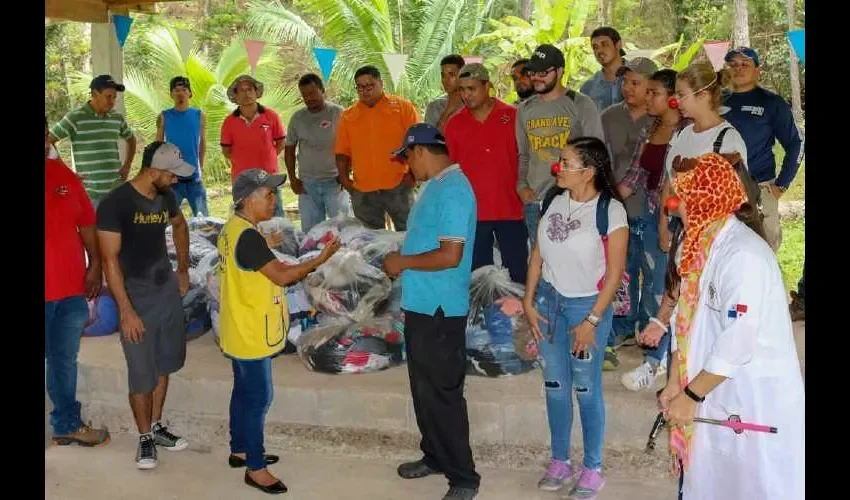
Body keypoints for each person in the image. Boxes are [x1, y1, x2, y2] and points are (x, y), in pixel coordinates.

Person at [656, 145, 804, 500]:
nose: (676, 206)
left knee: (757, 485)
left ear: (707, 197)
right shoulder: (694, 247)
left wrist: (691, 394)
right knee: (711, 481)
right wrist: (675, 382)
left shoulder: (744, 256)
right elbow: (684, 322)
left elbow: (738, 338)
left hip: (751, 398)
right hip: (710, 391)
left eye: (684, 197)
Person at [218, 168, 340, 494]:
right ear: (247, 200)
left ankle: (240, 448)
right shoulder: (248, 237)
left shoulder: (234, 228)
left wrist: (263, 243)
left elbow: (247, 259)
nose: (274, 199)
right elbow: (283, 276)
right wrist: (320, 259)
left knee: (243, 390)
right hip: (252, 328)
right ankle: (255, 468)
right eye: (268, 194)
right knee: (259, 396)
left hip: (236, 325)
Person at [523, 136, 627, 498]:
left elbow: (614, 274)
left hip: (587, 308)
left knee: (585, 388)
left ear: (589, 171)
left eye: (566, 163)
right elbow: (538, 252)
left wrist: (593, 321)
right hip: (550, 304)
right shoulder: (553, 199)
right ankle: (559, 460)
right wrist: (528, 300)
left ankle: (593, 467)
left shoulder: (610, 211)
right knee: (555, 386)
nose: (558, 169)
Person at [382, 124, 480, 500]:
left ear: (420, 150)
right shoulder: (435, 186)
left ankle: (464, 477)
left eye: (407, 157)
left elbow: (450, 254)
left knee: (443, 394)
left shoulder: (454, 190)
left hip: (440, 309)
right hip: (421, 305)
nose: (407, 166)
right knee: (423, 390)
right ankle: (435, 455)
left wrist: (402, 261)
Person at [96, 141, 194, 470]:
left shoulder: (165, 195)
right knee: (142, 373)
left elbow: (179, 225)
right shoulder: (115, 203)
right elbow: (109, 262)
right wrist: (125, 311)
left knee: (164, 363)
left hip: (165, 288)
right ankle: (144, 438)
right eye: (172, 174)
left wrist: (182, 269)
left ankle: (156, 426)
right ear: (153, 171)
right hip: (133, 294)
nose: (176, 181)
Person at [45, 117, 111, 447]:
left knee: (63, 360)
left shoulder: (65, 177)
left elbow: (86, 223)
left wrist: (95, 265)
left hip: (71, 290)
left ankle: (66, 424)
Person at [617, 69, 684, 391]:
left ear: (673, 96)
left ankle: (658, 362)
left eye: (654, 92)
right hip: (649, 216)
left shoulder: (687, 132)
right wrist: (604, 201)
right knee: (648, 290)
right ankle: (654, 354)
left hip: (675, 222)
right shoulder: (650, 128)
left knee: (665, 290)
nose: (648, 97)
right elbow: (634, 177)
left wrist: (666, 223)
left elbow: (680, 186)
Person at [444, 63, 528, 284]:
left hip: (511, 209)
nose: (466, 95)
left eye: (471, 88)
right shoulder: (455, 124)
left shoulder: (512, 116)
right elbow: (450, 169)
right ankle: (484, 317)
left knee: (518, 272)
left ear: (487, 86)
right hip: (473, 213)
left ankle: (518, 316)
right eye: (461, 90)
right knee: (479, 276)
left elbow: (526, 157)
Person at [517, 44, 605, 246]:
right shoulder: (524, 109)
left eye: (543, 72)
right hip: (535, 200)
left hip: (572, 198)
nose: (537, 77)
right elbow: (523, 154)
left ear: (560, 71)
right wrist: (521, 187)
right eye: (533, 72)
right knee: (539, 257)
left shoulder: (580, 104)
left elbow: (597, 154)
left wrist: (586, 195)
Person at [601, 57, 657, 371]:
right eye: (625, 82)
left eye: (635, 83)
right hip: (615, 212)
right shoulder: (608, 117)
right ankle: (619, 330)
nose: (628, 88)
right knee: (620, 274)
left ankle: (648, 332)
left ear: (652, 86)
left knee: (652, 276)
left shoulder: (661, 119)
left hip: (648, 212)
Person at [722, 47, 804, 252]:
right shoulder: (715, 100)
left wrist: (781, 186)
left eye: (745, 64)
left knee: (764, 252)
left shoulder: (772, 103)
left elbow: (796, 143)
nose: (738, 69)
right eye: (733, 64)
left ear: (757, 71)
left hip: (760, 189)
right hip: (721, 189)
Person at [335, 65, 419, 230]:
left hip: (399, 184)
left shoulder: (402, 107)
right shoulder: (348, 115)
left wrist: (412, 174)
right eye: (360, 87)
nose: (365, 91)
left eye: (369, 86)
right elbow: (341, 152)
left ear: (381, 83)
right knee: (370, 242)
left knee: (410, 233)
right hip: (363, 190)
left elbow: (417, 144)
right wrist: (345, 180)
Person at [49, 74, 137, 204]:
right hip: (89, 193)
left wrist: (127, 165)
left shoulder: (116, 117)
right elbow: (49, 140)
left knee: (117, 225)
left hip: (116, 190)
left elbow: (131, 139)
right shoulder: (76, 117)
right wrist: (66, 172)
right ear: (95, 94)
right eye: (108, 97)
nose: (112, 101)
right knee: (92, 225)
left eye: (114, 97)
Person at [284, 73, 349, 233]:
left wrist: (346, 174)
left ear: (322, 90)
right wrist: (293, 179)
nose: (309, 98)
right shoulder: (297, 118)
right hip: (307, 185)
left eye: (312, 93)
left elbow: (351, 145)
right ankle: (315, 258)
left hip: (335, 183)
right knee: (311, 233)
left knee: (344, 231)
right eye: (305, 95)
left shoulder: (339, 113)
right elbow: (289, 149)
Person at [220, 75, 286, 217]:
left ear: (256, 92)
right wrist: (243, 159)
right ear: (236, 96)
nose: (246, 93)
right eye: (241, 90)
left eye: (249, 89)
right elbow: (226, 150)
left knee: (276, 218)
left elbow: (281, 142)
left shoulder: (271, 116)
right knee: (246, 219)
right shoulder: (229, 122)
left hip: (269, 177)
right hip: (242, 181)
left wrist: (269, 156)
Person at [156, 76, 209, 217]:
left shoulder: (199, 115)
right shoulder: (164, 116)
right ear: (171, 94)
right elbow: (158, 146)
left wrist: (201, 166)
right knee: (164, 221)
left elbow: (203, 143)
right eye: (176, 90)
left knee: (204, 221)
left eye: (184, 90)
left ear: (190, 93)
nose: (180, 93)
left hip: (194, 179)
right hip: (172, 180)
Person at [580, 27, 626, 112]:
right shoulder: (588, 87)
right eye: (595, 47)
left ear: (618, 45)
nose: (599, 51)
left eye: (604, 45)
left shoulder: (638, 77)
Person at [424, 55, 466, 132]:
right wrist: (448, 110)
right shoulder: (435, 107)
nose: (446, 80)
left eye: (451, 75)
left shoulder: (473, 104)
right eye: (443, 75)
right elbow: (430, 140)